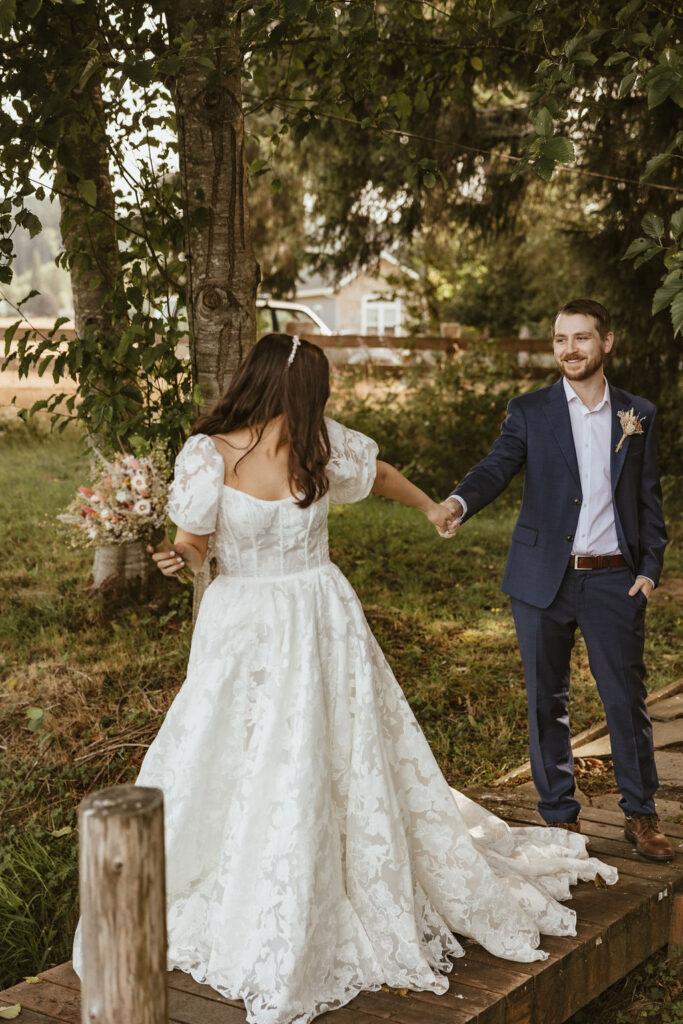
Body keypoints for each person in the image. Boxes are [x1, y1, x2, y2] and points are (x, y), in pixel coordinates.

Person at [73, 333, 617, 1024]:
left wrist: (429, 506)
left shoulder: (321, 444)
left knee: (334, 744)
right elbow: (192, 541)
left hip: (319, 614)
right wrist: (178, 558)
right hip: (243, 623)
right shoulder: (206, 454)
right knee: (234, 743)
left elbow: (382, 473)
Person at [442, 299, 672, 863]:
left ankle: (641, 815)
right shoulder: (531, 410)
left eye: (581, 338)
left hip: (614, 579)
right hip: (541, 578)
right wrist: (459, 500)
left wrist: (650, 568)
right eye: (560, 339)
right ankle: (559, 821)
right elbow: (497, 466)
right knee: (547, 700)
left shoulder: (636, 414)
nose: (569, 349)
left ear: (607, 343)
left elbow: (648, 500)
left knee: (626, 700)